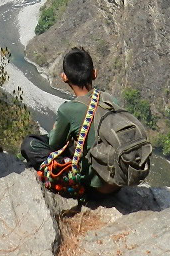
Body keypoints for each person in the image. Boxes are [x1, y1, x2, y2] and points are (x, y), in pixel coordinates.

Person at [21, 47, 120, 194]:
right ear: (94, 73)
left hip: (93, 188)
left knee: (30, 143)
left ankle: (66, 171)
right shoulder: (111, 100)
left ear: (64, 77)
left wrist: (57, 129)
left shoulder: (68, 110)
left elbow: (54, 144)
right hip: (116, 183)